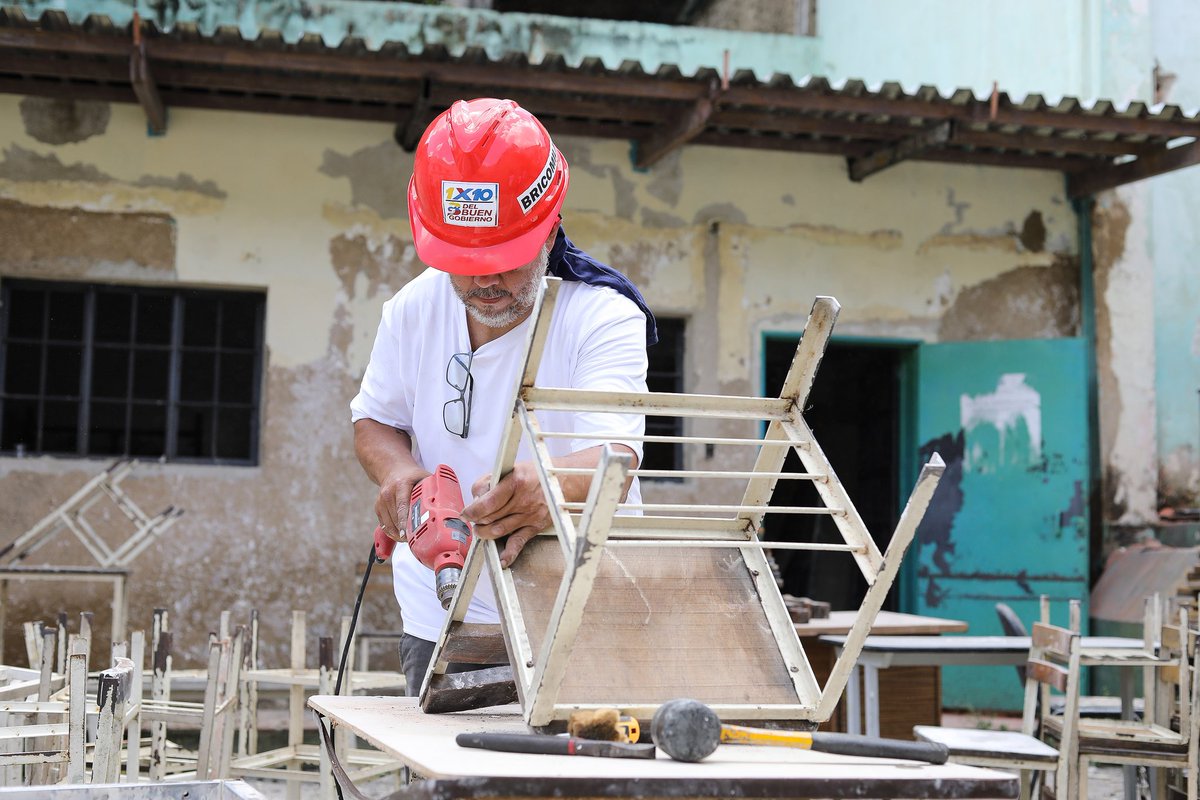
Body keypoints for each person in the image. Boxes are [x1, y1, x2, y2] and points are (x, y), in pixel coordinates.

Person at [350, 98, 657, 694]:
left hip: (579, 615)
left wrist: (552, 486)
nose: (486, 283)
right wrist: (400, 475)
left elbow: (614, 462)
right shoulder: (414, 307)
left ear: (549, 226)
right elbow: (374, 421)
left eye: (506, 260)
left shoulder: (601, 316)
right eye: (464, 263)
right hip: (441, 621)